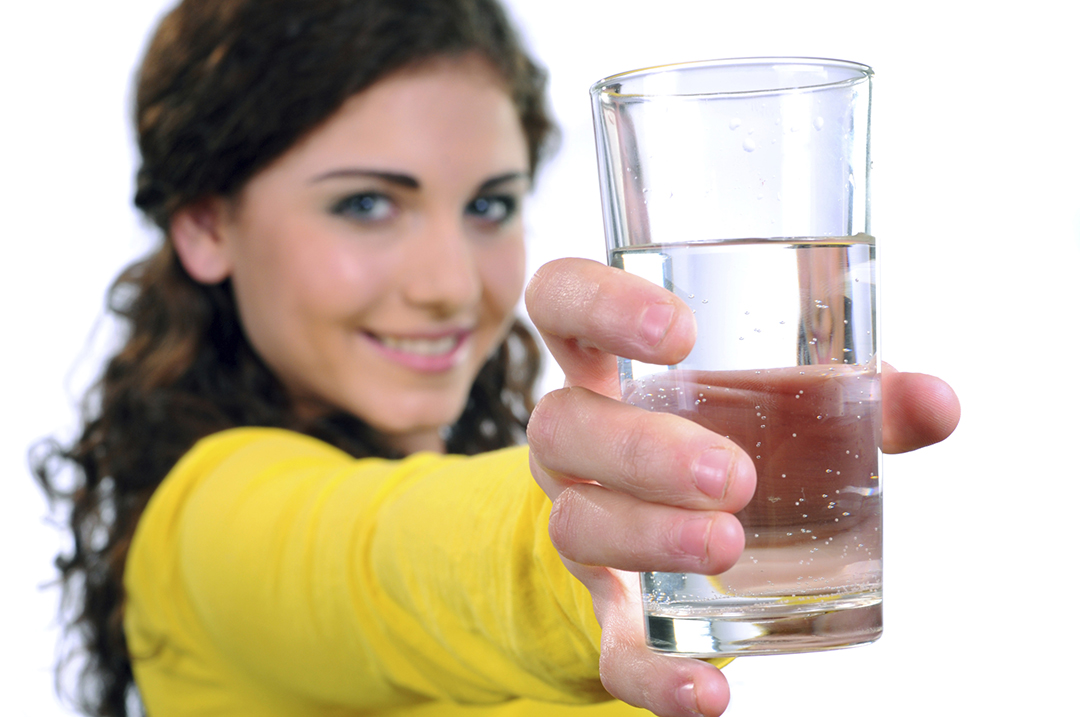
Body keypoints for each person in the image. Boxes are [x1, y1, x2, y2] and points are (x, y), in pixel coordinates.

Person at [34, 1, 961, 716]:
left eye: (488, 205)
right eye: (364, 204)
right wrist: (593, 528)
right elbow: (385, 560)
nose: (448, 283)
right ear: (205, 224)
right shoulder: (206, 530)